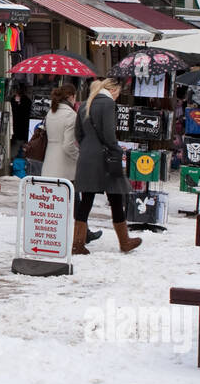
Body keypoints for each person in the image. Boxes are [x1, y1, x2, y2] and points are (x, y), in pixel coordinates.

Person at [72, 77, 141, 254]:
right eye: (118, 93)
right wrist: (116, 149)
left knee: (86, 199)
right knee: (116, 197)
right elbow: (110, 134)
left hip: (87, 156)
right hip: (106, 156)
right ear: (113, 90)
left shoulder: (85, 103)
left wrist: (88, 147)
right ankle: (124, 241)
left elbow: (78, 133)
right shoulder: (108, 104)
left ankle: (77, 243)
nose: (117, 97)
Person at [43, 84, 102, 242]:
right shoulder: (70, 115)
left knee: (58, 202)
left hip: (50, 162)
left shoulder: (51, 112)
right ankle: (83, 233)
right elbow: (68, 145)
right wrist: (80, 157)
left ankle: (77, 232)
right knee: (75, 200)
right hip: (65, 164)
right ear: (71, 97)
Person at [9, 85, 31, 160]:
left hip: (17, 128)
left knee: (16, 148)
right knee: (20, 148)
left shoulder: (16, 101)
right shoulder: (27, 101)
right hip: (22, 129)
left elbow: (15, 112)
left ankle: (15, 161)